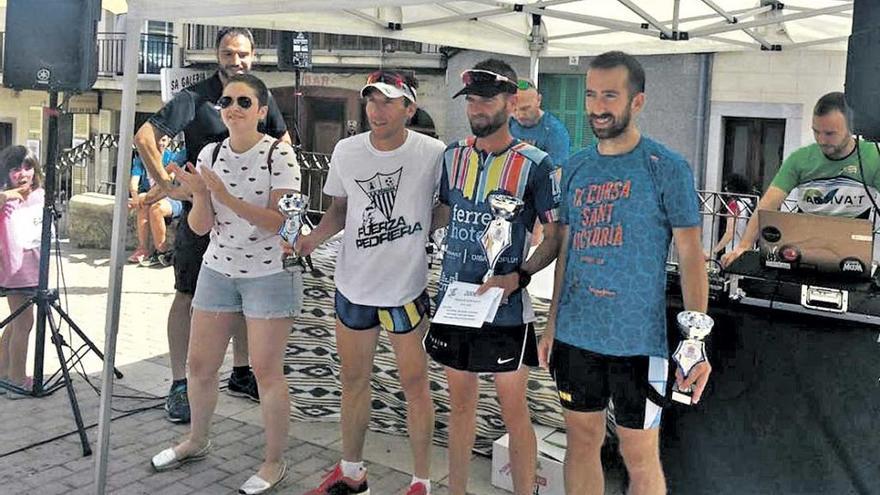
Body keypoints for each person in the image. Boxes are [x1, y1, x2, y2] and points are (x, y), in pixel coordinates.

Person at [538, 51, 710, 495]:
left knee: (639, 454)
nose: (597, 107)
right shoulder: (576, 166)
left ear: (637, 102)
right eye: (591, 94)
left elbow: (692, 256)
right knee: (582, 442)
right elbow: (568, 249)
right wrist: (552, 324)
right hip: (577, 335)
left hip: (638, 341)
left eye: (609, 95)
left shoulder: (667, 167)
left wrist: (695, 342)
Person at [150, 74, 302, 495]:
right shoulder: (210, 154)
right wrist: (201, 195)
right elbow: (200, 227)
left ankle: (274, 462)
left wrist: (227, 196)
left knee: (267, 372)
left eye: (243, 101)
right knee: (200, 366)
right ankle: (196, 440)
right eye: (226, 100)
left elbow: (282, 224)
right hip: (219, 268)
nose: (233, 107)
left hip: (270, 273)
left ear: (261, 110)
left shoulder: (280, 156)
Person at [295, 70, 445, 495]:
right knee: (354, 381)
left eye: (389, 101)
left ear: (409, 108)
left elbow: (449, 207)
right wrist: (309, 240)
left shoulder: (434, 153)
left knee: (415, 384)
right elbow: (339, 212)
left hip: (404, 290)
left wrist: (420, 230)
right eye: (371, 100)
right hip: (353, 288)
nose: (377, 110)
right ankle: (352, 470)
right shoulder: (346, 150)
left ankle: (421, 482)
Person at [134, 26, 290, 423]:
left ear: (254, 57)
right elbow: (144, 137)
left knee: (242, 297)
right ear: (217, 56)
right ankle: (178, 384)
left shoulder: (260, 97)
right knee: (186, 297)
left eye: (242, 54)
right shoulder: (194, 97)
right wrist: (168, 186)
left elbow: (285, 146)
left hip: (248, 226)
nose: (235, 61)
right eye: (227, 53)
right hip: (201, 220)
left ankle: (241, 373)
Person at [423, 59, 562, 495]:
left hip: (505, 311)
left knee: (514, 411)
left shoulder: (537, 164)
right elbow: (443, 211)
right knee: (459, 407)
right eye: (472, 100)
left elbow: (556, 236)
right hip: (454, 303)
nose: (477, 108)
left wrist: (519, 277)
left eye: (487, 98)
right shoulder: (452, 155)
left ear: (511, 100)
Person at [721, 91, 880, 268]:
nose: (821, 140)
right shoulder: (800, 159)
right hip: (802, 254)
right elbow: (768, 203)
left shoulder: (873, 157)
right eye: (816, 132)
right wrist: (744, 246)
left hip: (851, 260)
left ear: (852, 127)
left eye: (830, 133)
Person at [0, 146, 44, 399]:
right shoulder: (5, 198)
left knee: (16, 323)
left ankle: (4, 371)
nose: (22, 173)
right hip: (14, 270)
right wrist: (12, 193)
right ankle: (17, 379)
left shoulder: (40, 195)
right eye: (15, 169)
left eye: (27, 167)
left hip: (35, 267)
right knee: (24, 323)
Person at [128, 135, 186, 267]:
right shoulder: (142, 159)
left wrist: (145, 198)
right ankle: (143, 249)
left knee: (156, 209)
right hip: (150, 197)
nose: (160, 143)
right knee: (143, 206)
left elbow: (167, 185)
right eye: (157, 140)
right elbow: (134, 182)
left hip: (173, 197)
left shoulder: (172, 158)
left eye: (164, 140)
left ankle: (162, 251)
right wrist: (136, 198)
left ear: (169, 142)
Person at [509, 79, 572, 168]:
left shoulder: (555, 131)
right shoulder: (508, 123)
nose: (520, 115)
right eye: (514, 109)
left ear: (538, 100)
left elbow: (556, 173)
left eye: (525, 109)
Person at [707, 173, 754, 259]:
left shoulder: (734, 205)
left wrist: (714, 251)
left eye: (728, 186)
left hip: (733, 250)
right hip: (747, 250)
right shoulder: (749, 204)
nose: (725, 189)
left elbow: (730, 232)